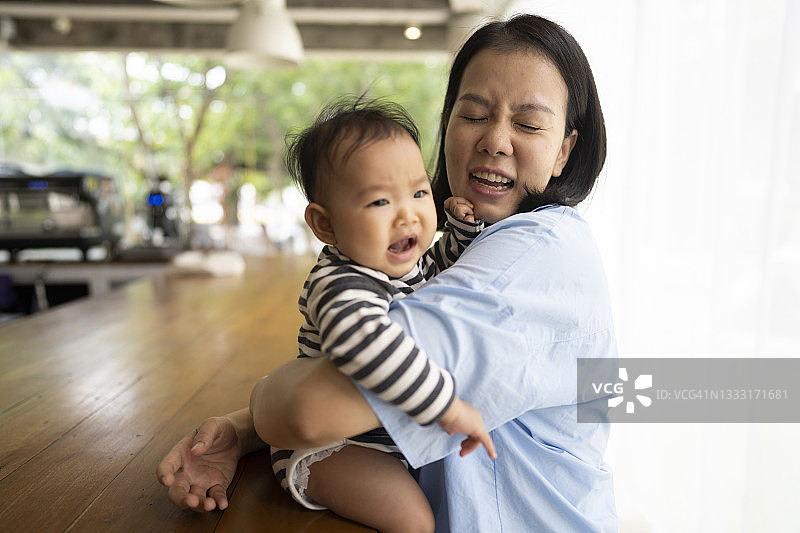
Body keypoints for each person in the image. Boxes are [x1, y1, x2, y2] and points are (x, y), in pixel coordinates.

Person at [158, 13, 617, 532]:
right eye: (473, 115)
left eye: (528, 124)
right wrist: (244, 432)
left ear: (564, 150)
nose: (494, 139)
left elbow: (311, 408)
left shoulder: (532, 258)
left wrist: (262, 401)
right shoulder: (488, 244)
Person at [266, 97, 495, 531]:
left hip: (384, 440)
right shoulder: (341, 282)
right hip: (336, 446)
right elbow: (368, 344)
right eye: (378, 202)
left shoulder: (397, 260)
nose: (407, 214)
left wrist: (462, 233)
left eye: (418, 192)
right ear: (325, 225)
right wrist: (447, 407)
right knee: (413, 522)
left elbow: (439, 270)